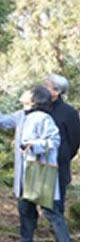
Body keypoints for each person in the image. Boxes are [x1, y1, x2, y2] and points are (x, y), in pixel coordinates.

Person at [0, 86, 73, 242]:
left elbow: (54, 140)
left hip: (40, 171)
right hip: (25, 172)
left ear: (34, 99)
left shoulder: (43, 118)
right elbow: (1, 122)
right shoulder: (20, 115)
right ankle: (26, 240)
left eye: (28, 91)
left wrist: (34, 145)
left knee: (50, 210)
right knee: (25, 206)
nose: (23, 92)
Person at [43, 74, 80, 215]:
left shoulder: (69, 112)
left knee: (57, 201)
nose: (44, 88)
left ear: (57, 91)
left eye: (47, 86)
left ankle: (59, 232)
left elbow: (75, 140)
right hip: (39, 161)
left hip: (59, 162)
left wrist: (63, 156)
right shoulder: (40, 108)